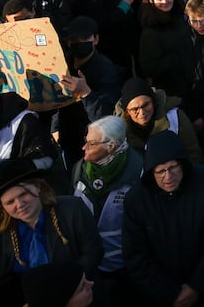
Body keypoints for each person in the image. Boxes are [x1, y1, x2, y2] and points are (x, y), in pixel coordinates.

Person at [121, 130, 204, 307]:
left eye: (173, 167)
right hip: (161, 296)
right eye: (160, 171)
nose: (168, 177)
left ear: (183, 164)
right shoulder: (136, 199)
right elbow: (135, 254)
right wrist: (171, 294)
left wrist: (196, 286)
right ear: (151, 172)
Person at [0, 159, 101, 289]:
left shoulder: (72, 210)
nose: (20, 205)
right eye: (10, 202)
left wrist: (65, 291)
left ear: (38, 187)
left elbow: (93, 252)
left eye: (24, 194)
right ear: (2, 207)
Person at [70, 115, 142, 286]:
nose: (84, 147)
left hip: (128, 270)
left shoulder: (138, 171)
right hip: (92, 269)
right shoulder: (79, 169)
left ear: (111, 146)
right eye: (86, 141)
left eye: (91, 143)